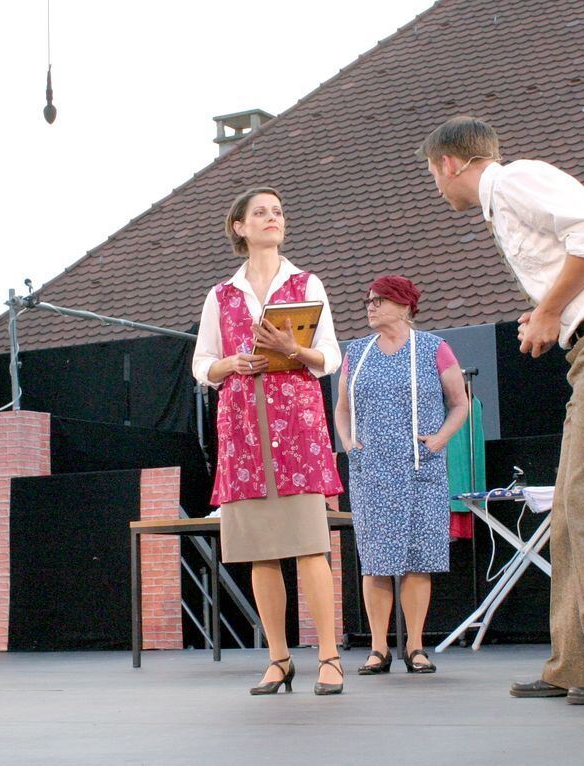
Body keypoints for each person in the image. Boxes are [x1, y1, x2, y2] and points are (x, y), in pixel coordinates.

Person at [418, 116, 584, 704]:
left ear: (449, 164)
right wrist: (547, 315)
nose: (436, 188)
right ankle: (575, 664)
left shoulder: (516, 181)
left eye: (433, 174)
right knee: (573, 505)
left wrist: (551, 310)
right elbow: (576, 265)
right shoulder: (504, 204)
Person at [193, 187, 346, 696]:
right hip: (243, 435)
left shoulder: (306, 283)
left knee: (309, 548)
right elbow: (201, 365)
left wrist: (293, 349)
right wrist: (231, 364)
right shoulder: (221, 295)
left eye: (278, 211)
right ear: (239, 226)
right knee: (262, 552)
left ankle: (329, 658)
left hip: (298, 432)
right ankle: (279, 660)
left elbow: (332, 357)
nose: (272, 218)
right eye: (260, 213)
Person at [334, 275, 467, 675]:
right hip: (370, 469)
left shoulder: (433, 348)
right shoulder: (356, 352)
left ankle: (415, 646)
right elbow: (342, 407)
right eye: (369, 300)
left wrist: (438, 441)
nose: (371, 306)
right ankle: (378, 648)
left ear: (406, 306)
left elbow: (459, 402)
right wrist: (348, 441)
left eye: (380, 300)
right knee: (375, 561)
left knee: (416, 559)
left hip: (418, 469)